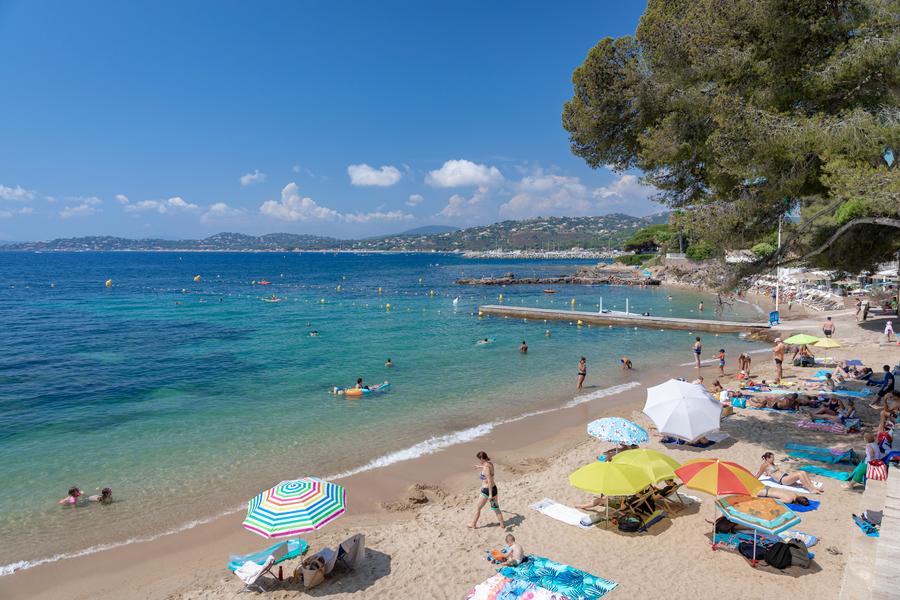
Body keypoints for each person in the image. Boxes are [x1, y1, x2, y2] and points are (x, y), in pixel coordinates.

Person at [756, 452, 823, 494]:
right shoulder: (764, 465)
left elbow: (771, 472)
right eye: (772, 458)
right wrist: (753, 479)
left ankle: (813, 487)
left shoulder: (772, 463)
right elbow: (759, 474)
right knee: (799, 474)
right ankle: (811, 490)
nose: (773, 459)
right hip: (783, 480)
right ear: (767, 458)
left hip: (786, 477)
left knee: (803, 472)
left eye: (773, 458)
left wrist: (768, 473)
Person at [469, 451, 504, 529]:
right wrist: (479, 467)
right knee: (496, 508)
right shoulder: (490, 464)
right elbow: (486, 467)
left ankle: (473, 524)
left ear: (482, 458)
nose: (479, 461)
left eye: (479, 459)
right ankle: (502, 524)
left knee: (478, 507)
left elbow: (489, 481)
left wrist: (490, 495)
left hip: (487, 491)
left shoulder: (486, 468)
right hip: (494, 489)